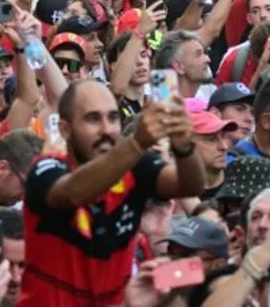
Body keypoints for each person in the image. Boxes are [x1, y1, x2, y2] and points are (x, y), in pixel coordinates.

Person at [20, 80, 205, 306]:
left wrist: (184, 146)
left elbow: (190, 186)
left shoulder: (136, 167)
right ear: (65, 129)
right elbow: (72, 194)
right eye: (93, 119)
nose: (107, 129)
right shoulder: (45, 170)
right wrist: (136, 143)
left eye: (113, 118)